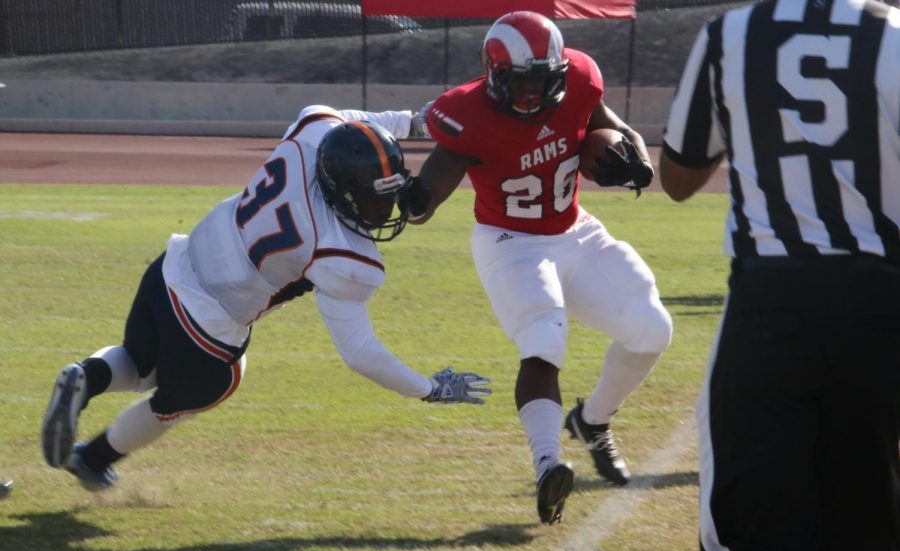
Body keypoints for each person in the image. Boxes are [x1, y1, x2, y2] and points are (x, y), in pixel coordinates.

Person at [41, 105, 491, 491]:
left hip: (175, 263)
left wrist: (414, 121)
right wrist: (430, 388)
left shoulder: (315, 131)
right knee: (205, 386)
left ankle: (85, 376)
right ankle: (94, 459)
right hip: (210, 321)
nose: (384, 212)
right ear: (338, 190)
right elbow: (361, 354)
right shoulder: (342, 254)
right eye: (371, 201)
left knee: (139, 364)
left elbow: (351, 121)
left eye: (389, 195)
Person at [659, 0, 900, 551]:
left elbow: (679, 176)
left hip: (769, 304)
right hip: (879, 304)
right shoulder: (894, 35)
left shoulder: (728, 35)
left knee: (760, 545)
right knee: (869, 543)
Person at [407, 11, 673, 524]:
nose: (530, 93)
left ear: (558, 72)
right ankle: (548, 463)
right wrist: (409, 198)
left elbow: (619, 132)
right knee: (543, 339)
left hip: (575, 229)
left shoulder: (579, 80)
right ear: (493, 75)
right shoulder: (468, 113)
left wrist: (636, 161)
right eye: (519, 80)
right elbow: (423, 205)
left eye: (540, 79)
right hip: (511, 241)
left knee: (652, 329)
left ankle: (592, 421)